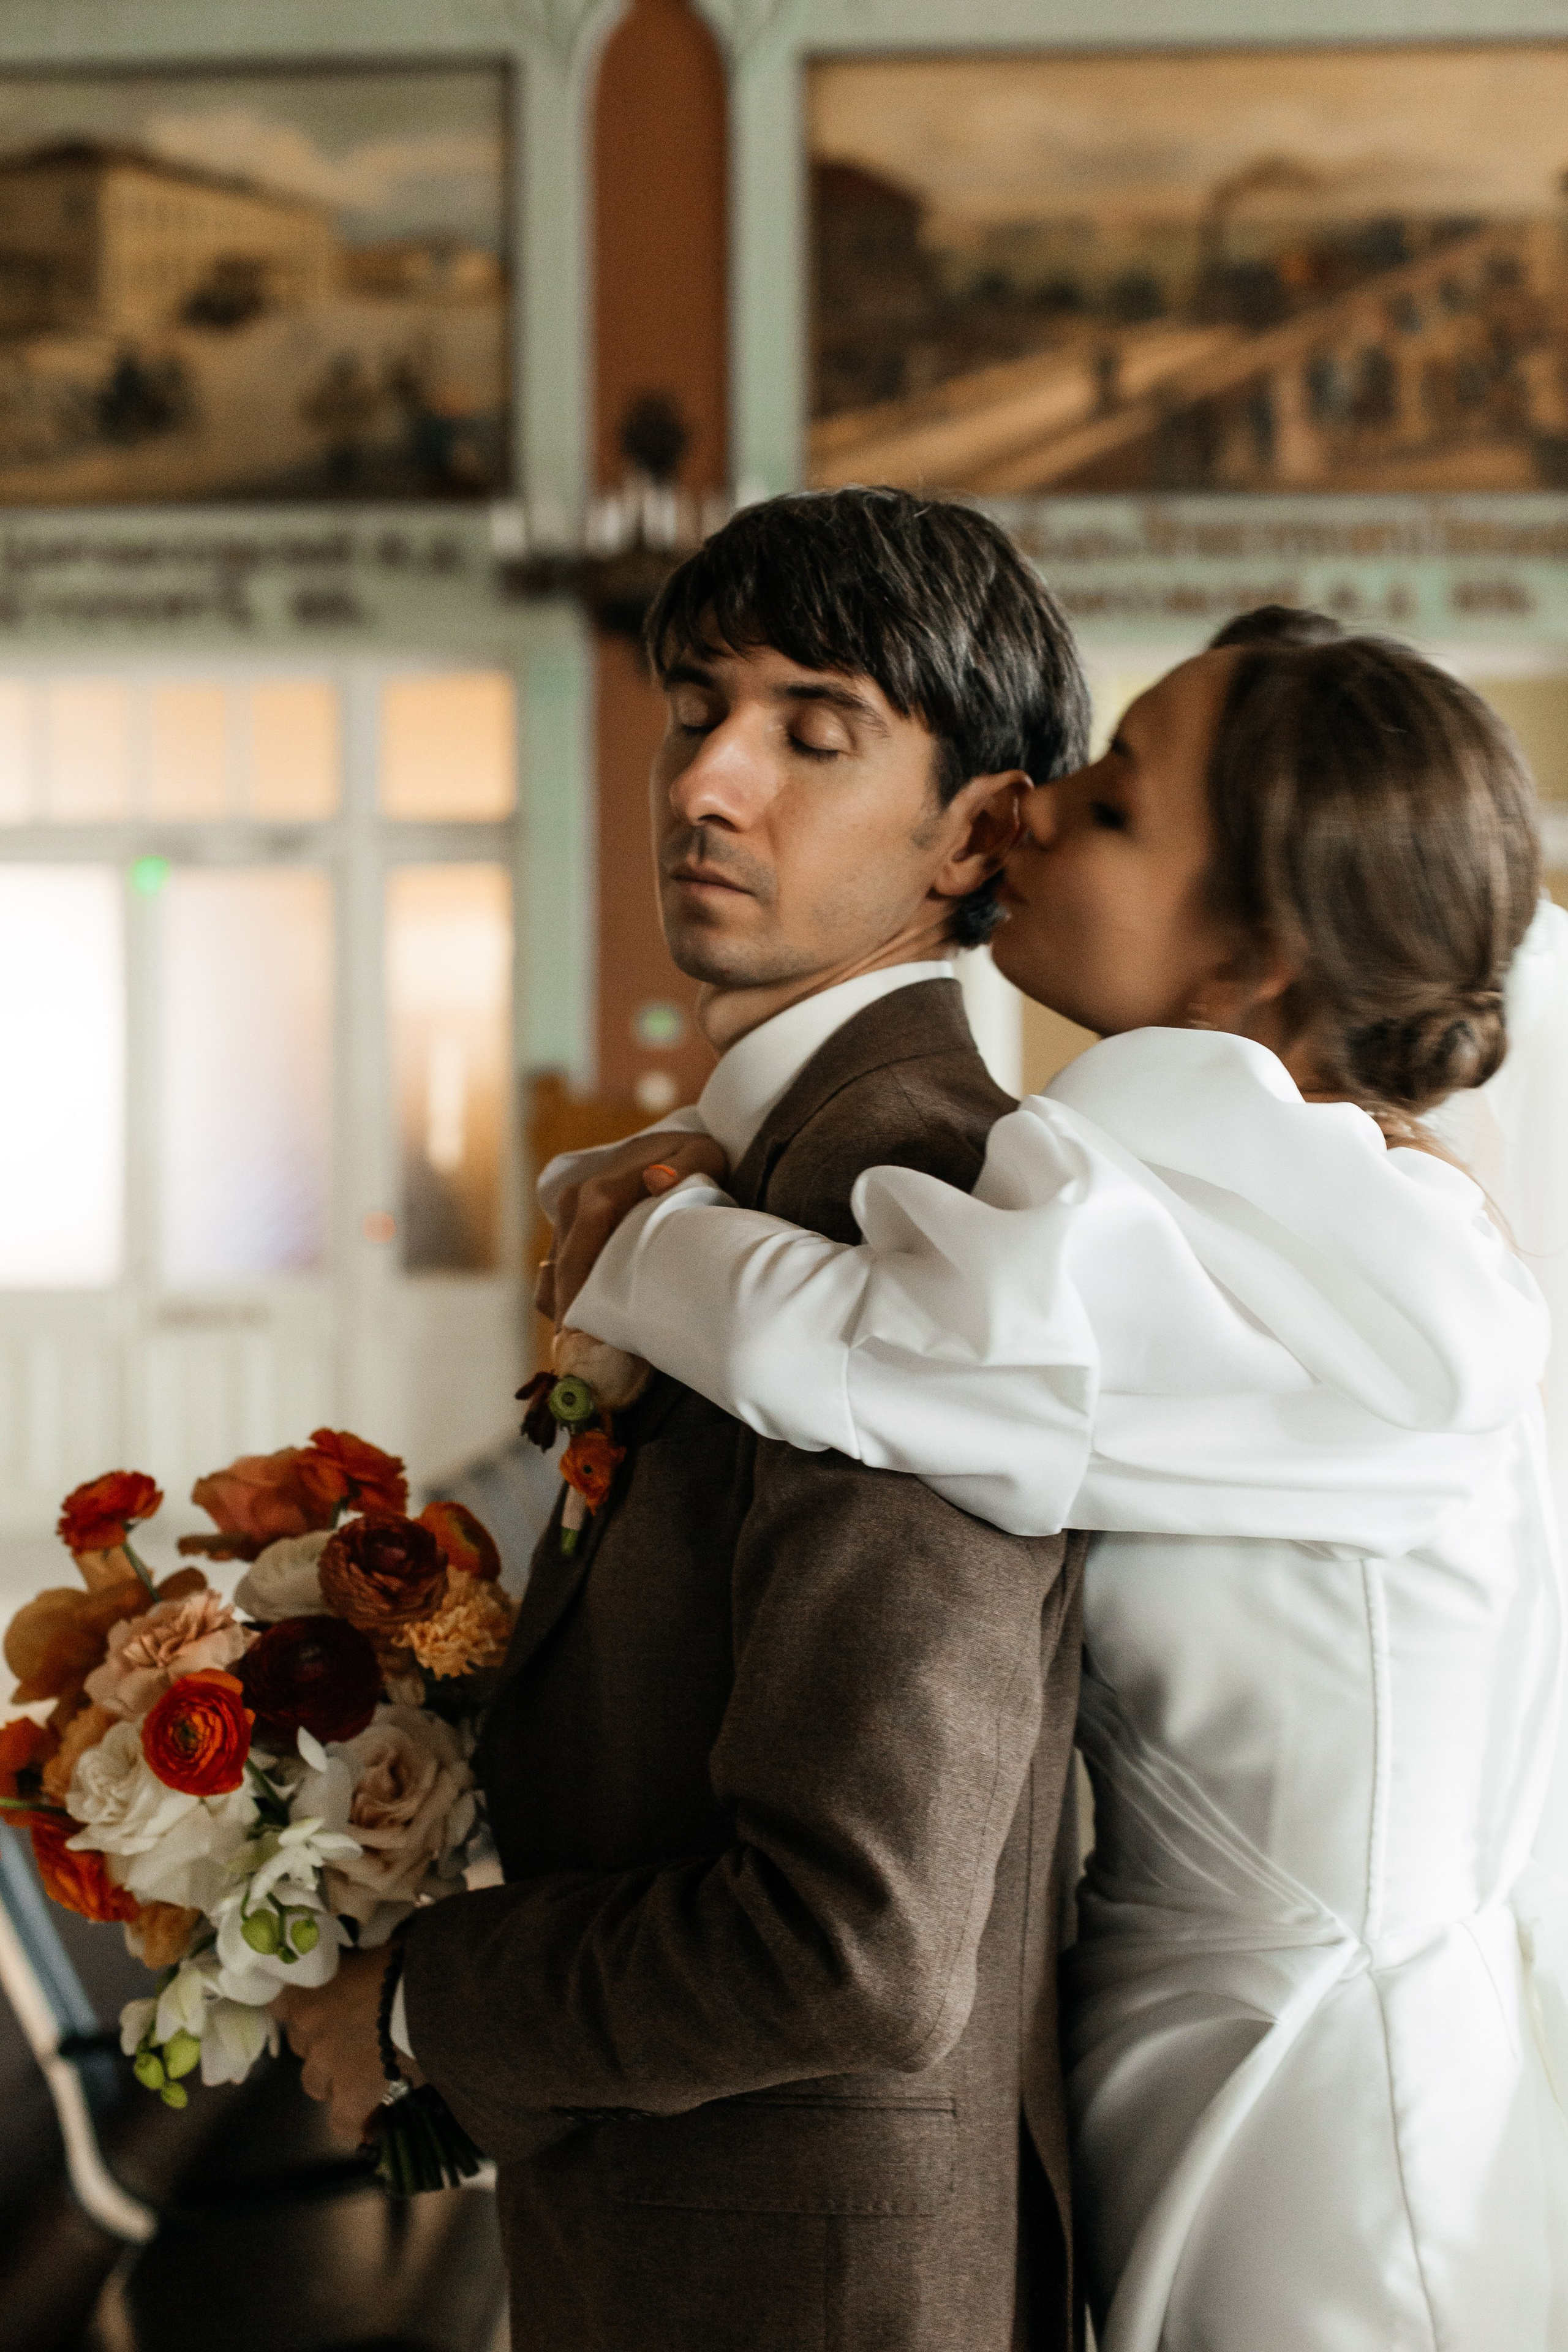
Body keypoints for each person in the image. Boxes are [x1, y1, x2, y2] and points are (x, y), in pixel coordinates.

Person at [558, 624, 1568, 2350]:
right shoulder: (1295, 1208)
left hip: (1317, 2107)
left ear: (1253, 949)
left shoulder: (1328, 1244)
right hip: (1204, 2026)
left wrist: (632, 1233)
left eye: (1111, 808)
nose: (1031, 811)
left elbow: (886, 1355)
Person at [274, 486, 1093, 2351]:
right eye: (695, 708)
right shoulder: (742, 1185)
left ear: (975, 830)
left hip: (816, 2287)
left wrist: (422, 1997)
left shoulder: (912, 1207)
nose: (706, 784)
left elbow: (857, 1942)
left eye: (817, 732)